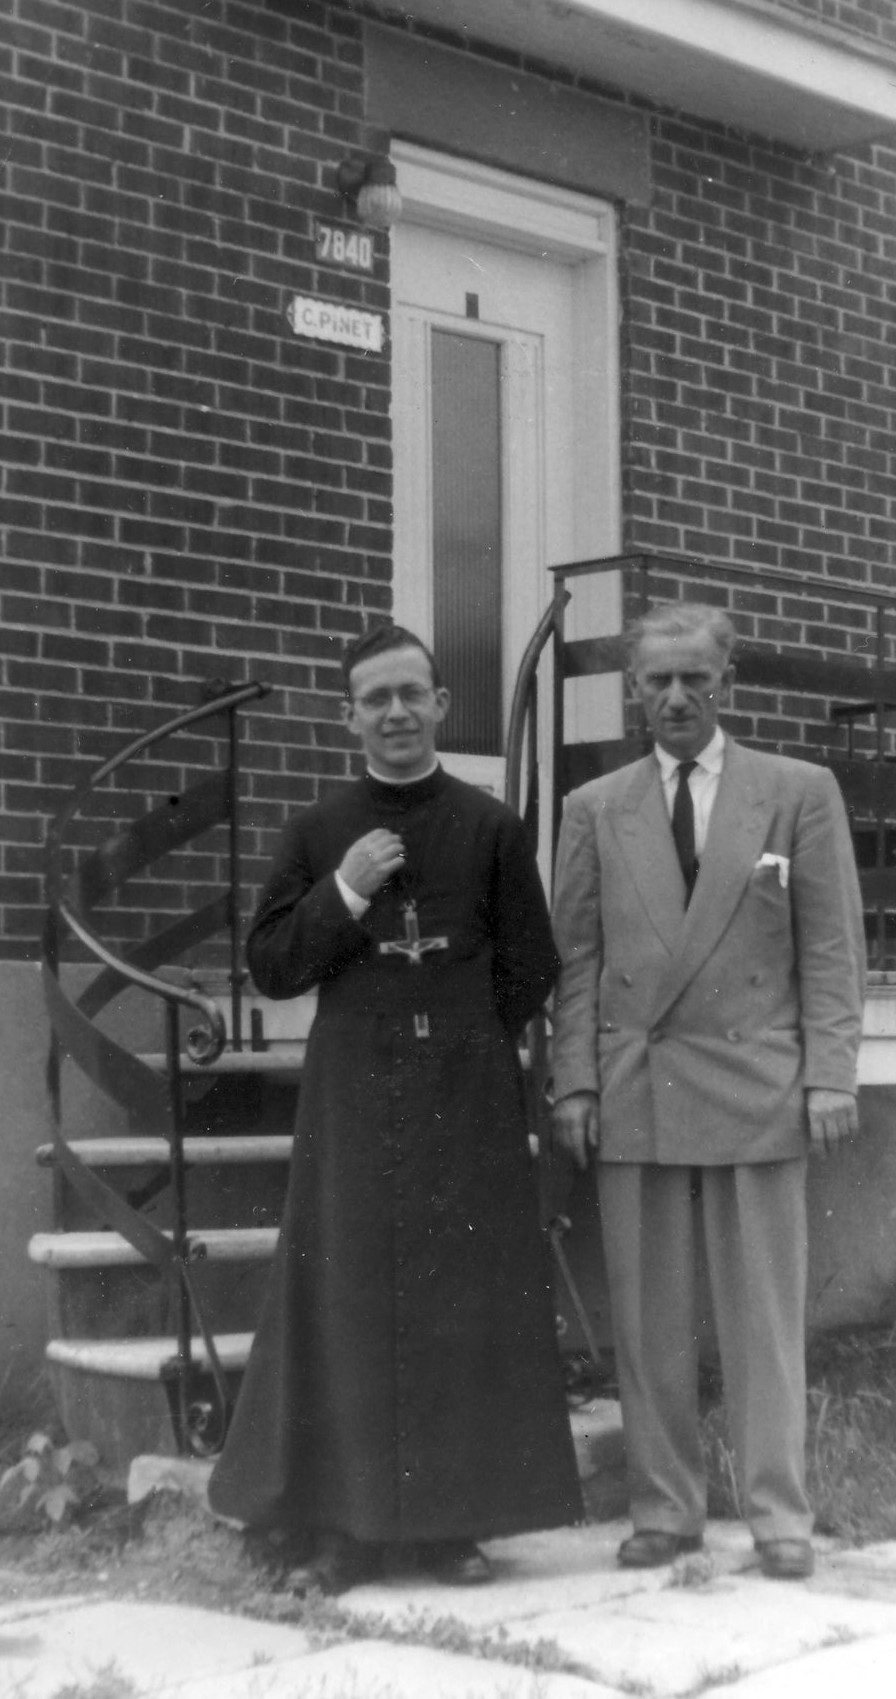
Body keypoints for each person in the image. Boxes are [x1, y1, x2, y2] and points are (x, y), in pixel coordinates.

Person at [208, 624, 582, 1588]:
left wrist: (452, 1033)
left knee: (462, 1303)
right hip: (353, 1099)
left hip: (464, 1093)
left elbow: (529, 965)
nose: (396, 712)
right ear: (349, 717)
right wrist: (343, 889)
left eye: (411, 693)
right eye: (375, 698)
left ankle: (449, 1526)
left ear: (442, 704)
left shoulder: (490, 825)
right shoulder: (318, 830)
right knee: (349, 1304)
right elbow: (274, 965)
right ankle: (344, 1529)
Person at [549, 602, 864, 1581]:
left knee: (761, 1313)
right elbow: (576, 961)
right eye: (656, 680)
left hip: (755, 1074)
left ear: (725, 681)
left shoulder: (796, 792)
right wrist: (571, 1079)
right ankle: (662, 1504)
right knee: (646, 1320)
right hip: (636, 1076)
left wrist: (827, 1072)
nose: (675, 696)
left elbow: (829, 946)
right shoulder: (594, 806)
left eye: (694, 677)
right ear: (633, 689)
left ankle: (778, 1513)